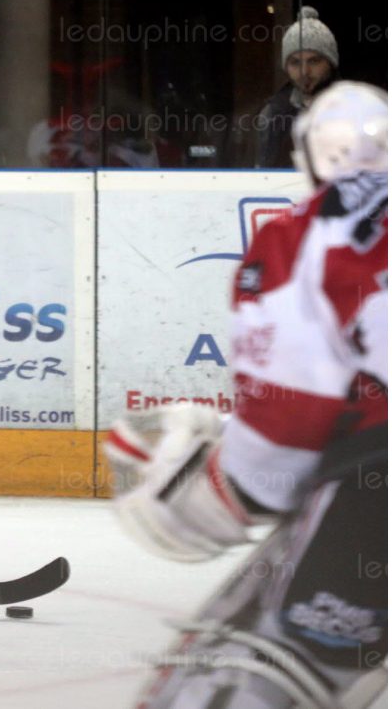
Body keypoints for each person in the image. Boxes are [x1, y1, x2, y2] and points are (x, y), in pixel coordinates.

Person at [104, 81, 387, 707]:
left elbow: (289, 418)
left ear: (307, 156)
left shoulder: (311, 234)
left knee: (258, 671)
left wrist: (228, 489)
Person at [255, 6, 339, 168]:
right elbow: (260, 178)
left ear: (330, 63)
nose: (304, 72)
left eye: (314, 61)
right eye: (295, 62)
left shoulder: (353, 109)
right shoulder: (273, 114)